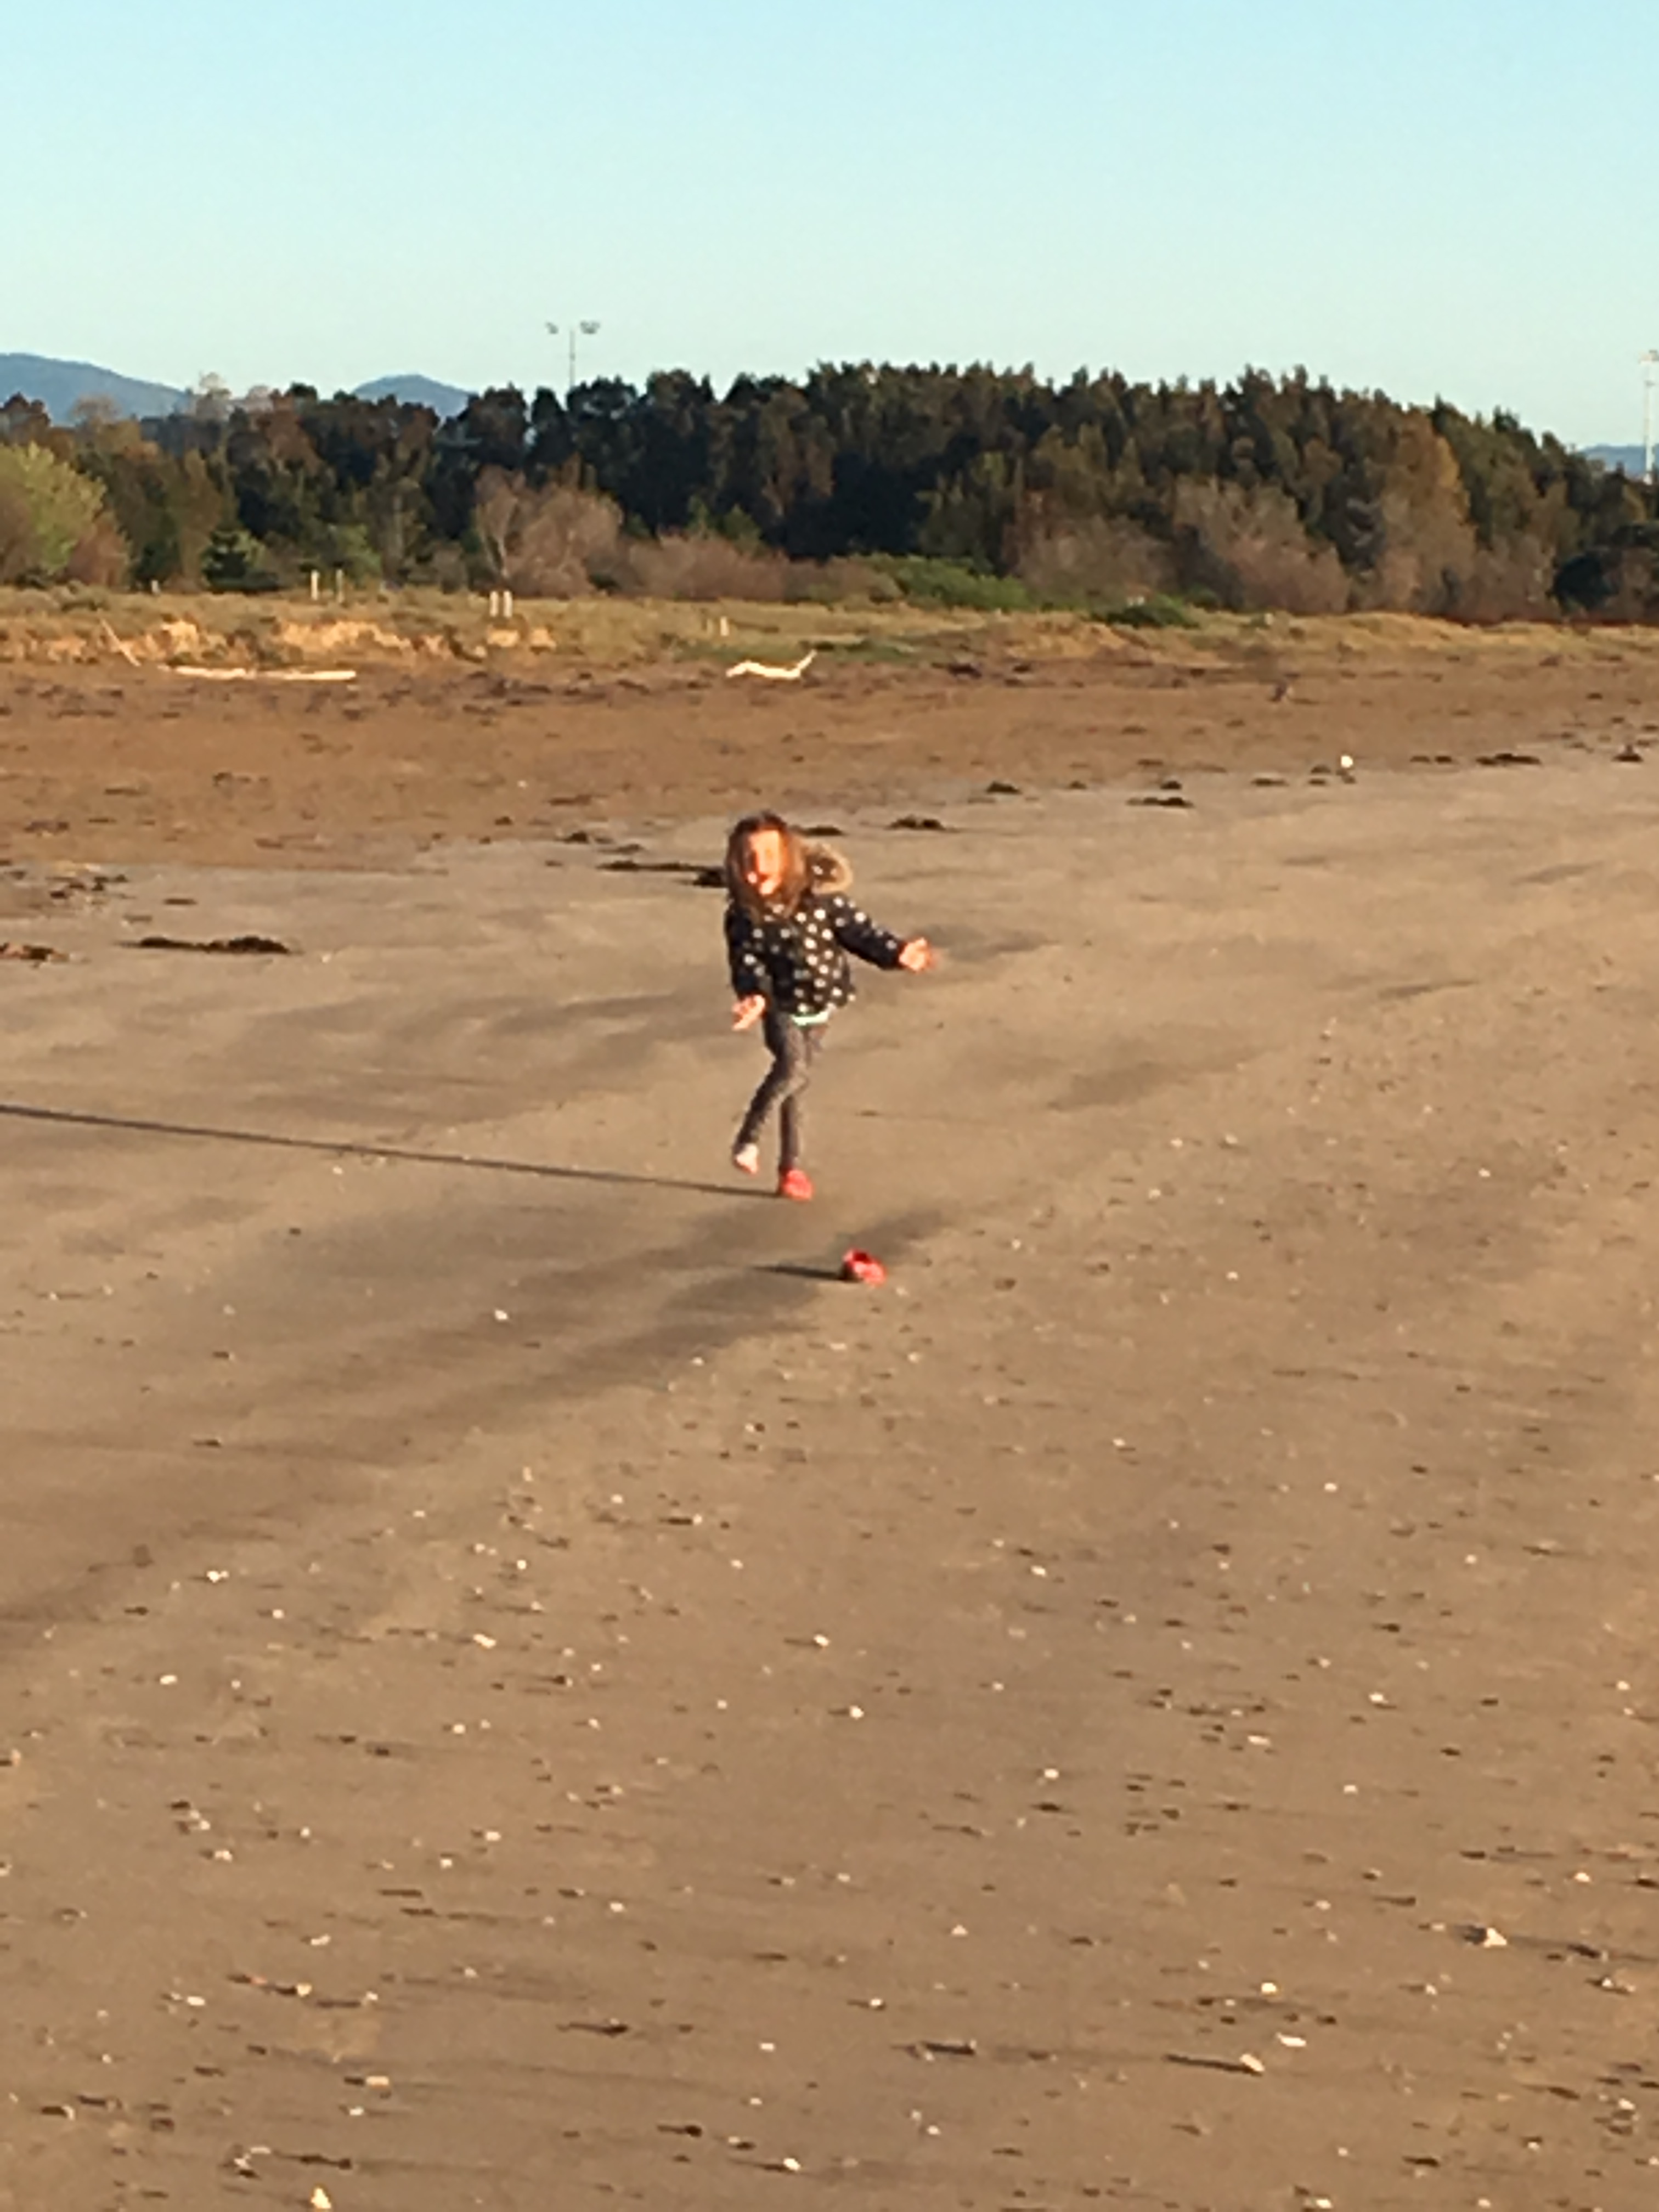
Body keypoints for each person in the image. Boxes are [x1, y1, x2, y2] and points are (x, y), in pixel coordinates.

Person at [722, 811, 934, 1200]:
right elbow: (746, 963)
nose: (760, 867)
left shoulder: (821, 902)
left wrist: (899, 953)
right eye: (748, 859)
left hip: (822, 1005)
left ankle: (791, 1170)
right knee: (792, 1067)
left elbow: (861, 934)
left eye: (769, 855)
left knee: (797, 1085)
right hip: (781, 1005)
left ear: (789, 858)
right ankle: (748, 1139)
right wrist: (752, 996)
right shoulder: (743, 917)